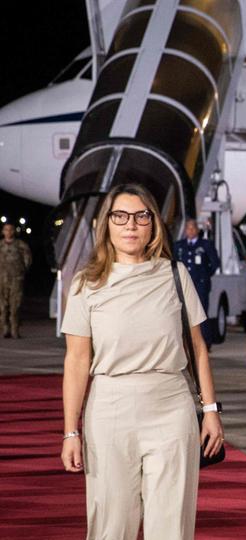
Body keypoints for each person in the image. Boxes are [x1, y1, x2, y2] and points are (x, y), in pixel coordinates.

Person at [60, 183, 224, 540]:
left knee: (171, 525)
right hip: (109, 409)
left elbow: (198, 348)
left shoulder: (175, 275)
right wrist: (70, 431)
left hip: (171, 407)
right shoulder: (86, 284)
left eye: (140, 216)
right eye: (120, 216)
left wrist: (210, 409)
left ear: (153, 224)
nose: (130, 225)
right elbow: (76, 362)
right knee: (110, 523)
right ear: (106, 224)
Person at [174, 219, 219, 347]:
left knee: (201, 312)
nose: (190, 231)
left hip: (200, 284)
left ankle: (204, 342)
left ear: (197, 230)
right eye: (188, 228)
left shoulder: (205, 245)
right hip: (183, 284)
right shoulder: (179, 245)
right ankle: (185, 342)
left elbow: (215, 263)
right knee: (182, 312)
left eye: (193, 228)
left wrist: (204, 275)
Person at [0, 222, 31, 338]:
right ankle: (5, 329)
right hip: (1, 280)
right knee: (2, 306)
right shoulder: (0, 245)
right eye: (6, 230)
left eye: (10, 230)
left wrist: (21, 272)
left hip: (16, 280)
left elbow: (27, 260)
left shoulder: (20, 245)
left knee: (15, 306)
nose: (8, 232)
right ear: (3, 232)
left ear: (14, 231)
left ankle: (14, 330)